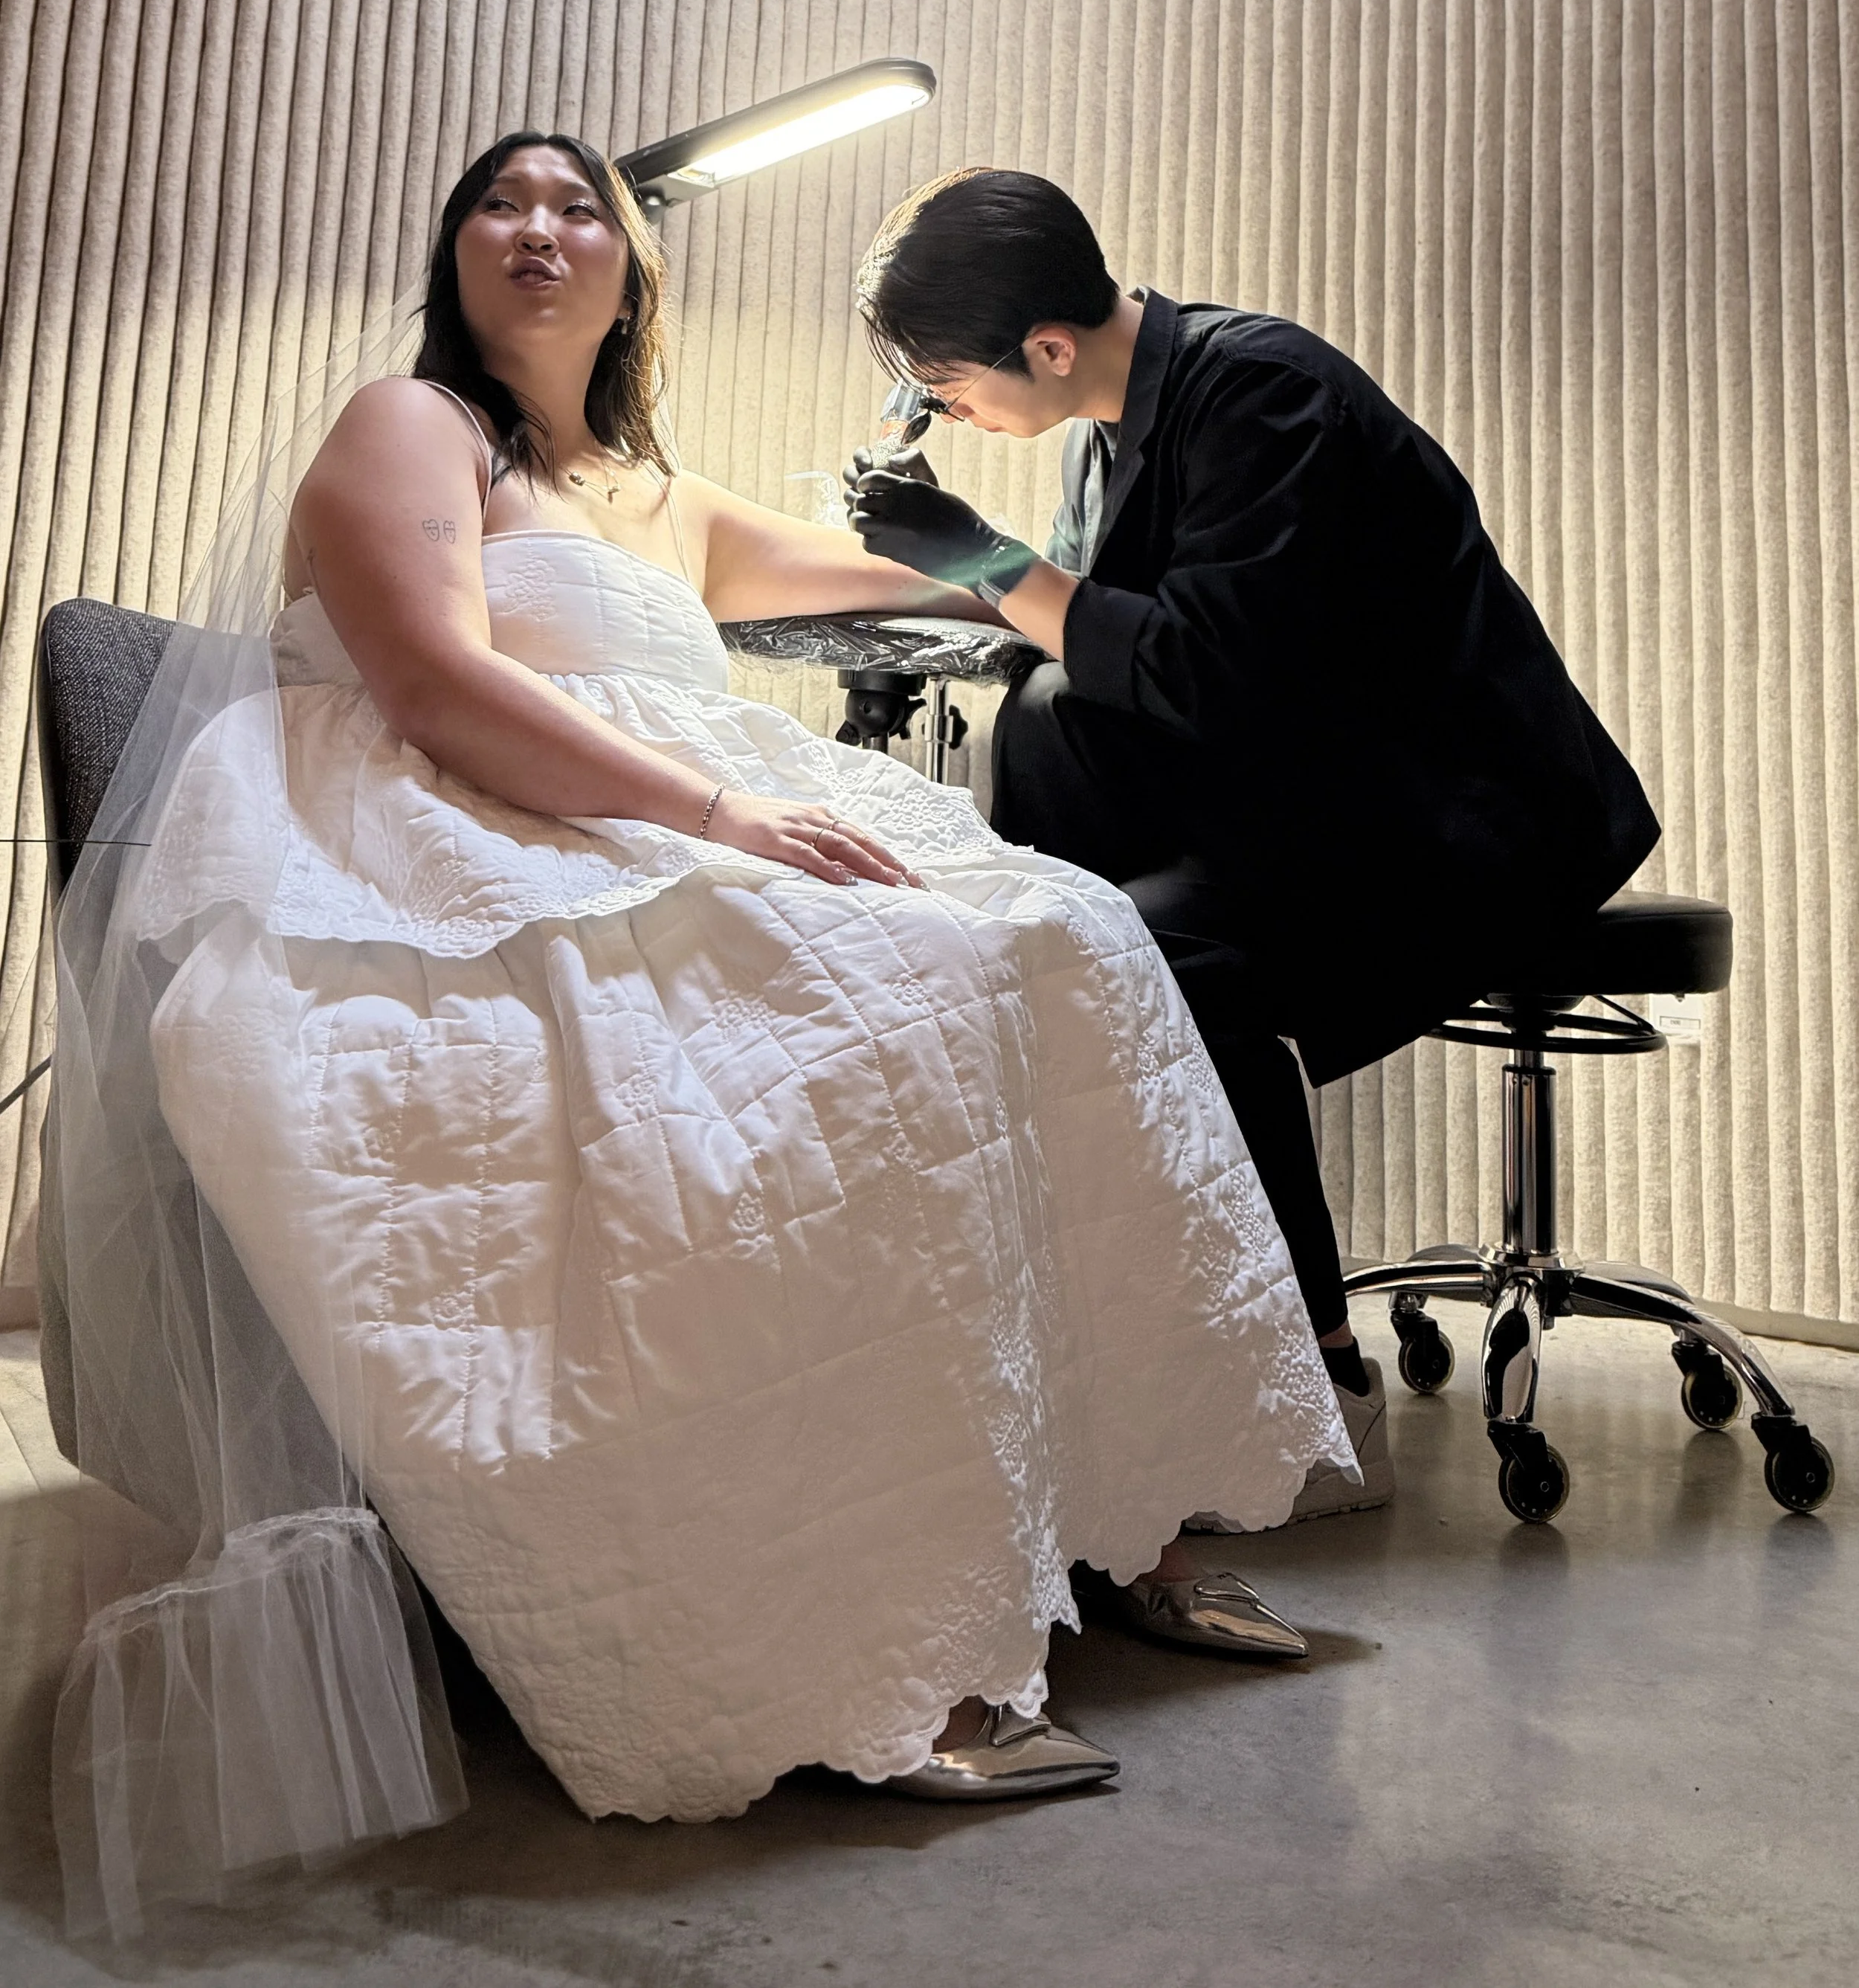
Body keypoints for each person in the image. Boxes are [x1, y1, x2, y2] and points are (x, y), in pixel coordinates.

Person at [47, 130, 1350, 1934]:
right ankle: (877, 1629)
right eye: (501, 198)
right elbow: (433, 683)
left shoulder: (659, 495)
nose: (539, 223)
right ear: (456, 252)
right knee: (882, 1007)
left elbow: (943, 578)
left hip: (655, 805)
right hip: (473, 819)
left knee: (1064, 931)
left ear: (631, 269)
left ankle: (1115, 1517)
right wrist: (717, 820)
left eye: (579, 201)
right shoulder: (416, 426)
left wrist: (1031, 531)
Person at [848, 168, 1662, 1519]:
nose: (947, 413)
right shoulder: (1106, 426)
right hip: (1319, 803)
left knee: (1152, 964)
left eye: (945, 385)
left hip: (1472, 825)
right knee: (1069, 900)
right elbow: (1089, 631)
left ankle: (1323, 1391)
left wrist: (986, 561)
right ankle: (1167, 1357)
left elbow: (1190, 673)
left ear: (1045, 348)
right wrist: (965, 575)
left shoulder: (1269, 396)